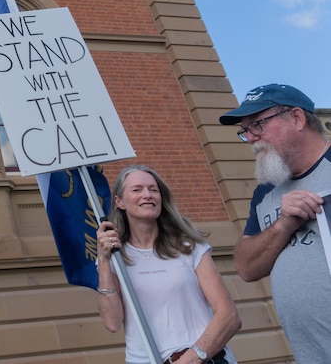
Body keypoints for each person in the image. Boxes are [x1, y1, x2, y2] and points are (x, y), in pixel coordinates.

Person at [220, 83, 331, 364]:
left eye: (258, 124)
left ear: (297, 118)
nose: (252, 138)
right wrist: (284, 225)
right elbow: (246, 267)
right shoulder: (266, 192)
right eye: (246, 130)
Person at [96, 165, 241, 364]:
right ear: (119, 201)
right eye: (137, 189)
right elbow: (112, 323)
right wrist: (104, 260)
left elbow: (229, 316)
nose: (147, 195)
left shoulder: (189, 247)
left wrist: (191, 358)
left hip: (203, 359)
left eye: (153, 190)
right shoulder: (114, 258)